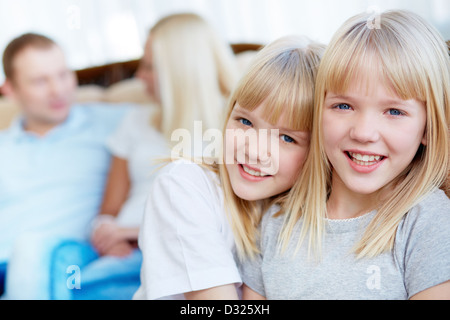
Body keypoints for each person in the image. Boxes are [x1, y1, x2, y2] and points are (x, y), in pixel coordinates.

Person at [241, 10, 450, 300]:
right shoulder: (274, 221)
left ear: (428, 127)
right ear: (318, 114)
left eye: (394, 112)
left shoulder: (429, 222)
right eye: (344, 106)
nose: (364, 133)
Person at [49, 13, 239, 300]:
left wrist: (134, 231)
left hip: (176, 247)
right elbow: (107, 210)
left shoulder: (237, 128)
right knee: (60, 265)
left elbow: (237, 221)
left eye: (149, 66)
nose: (139, 76)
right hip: (122, 255)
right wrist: (107, 232)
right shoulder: (134, 121)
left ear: (180, 70)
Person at [132, 35, 325, 300]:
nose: (254, 150)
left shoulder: (309, 212)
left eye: (287, 138)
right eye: (245, 122)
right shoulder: (183, 186)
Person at [0, 33, 130, 299]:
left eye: (63, 75)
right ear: (10, 89)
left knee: (31, 247)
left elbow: (180, 117)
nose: (58, 90)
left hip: (66, 259)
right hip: (4, 266)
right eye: (40, 81)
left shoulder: (117, 122)